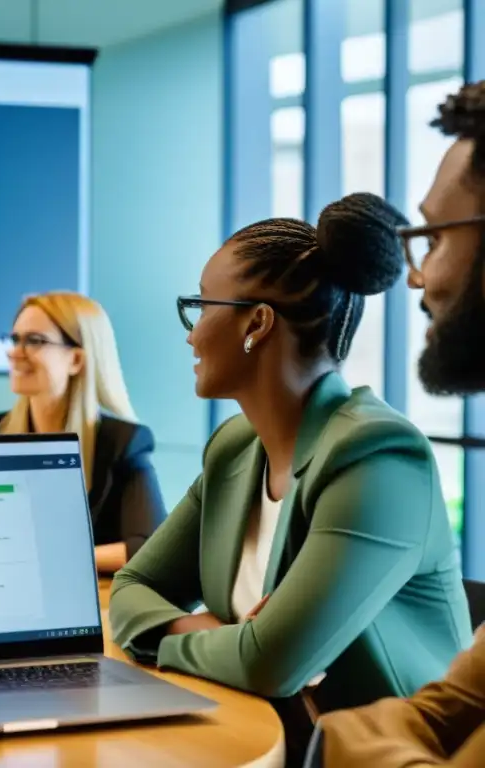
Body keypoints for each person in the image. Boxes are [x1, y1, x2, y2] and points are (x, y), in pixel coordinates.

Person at [108, 193, 472, 763]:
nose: (191, 334)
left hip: (381, 755)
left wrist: (206, 638)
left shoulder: (379, 458)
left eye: (201, 307)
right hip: (260, 728)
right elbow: (131, 590)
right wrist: (207, 632)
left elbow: (267, 663)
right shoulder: (235, 449)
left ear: (257, 322)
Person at [304, 82, 485, 768]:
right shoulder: (236, 447)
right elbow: (440, 712)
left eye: (436, 238)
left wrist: (351, 739)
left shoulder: (376, 450)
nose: (419, 278)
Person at [0, 291, 165, 572]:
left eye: (34, 341)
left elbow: (150, 547)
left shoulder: (124, 442)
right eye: (15, 339)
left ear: (77, 360)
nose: (14, 352)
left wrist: (55, 560)